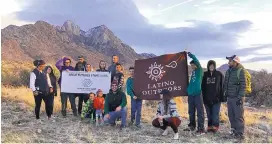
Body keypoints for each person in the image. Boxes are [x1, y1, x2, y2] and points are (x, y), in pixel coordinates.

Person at [223, 55, 246, 140]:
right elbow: (226, 84)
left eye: (230, 61)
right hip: (230, 97)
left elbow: (243, 85)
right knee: (231, 115)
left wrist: (240, 97)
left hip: (237, 98)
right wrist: (225, 94)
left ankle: (240, 134)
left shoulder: (240, 71)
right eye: (228, 61)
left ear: (235, 62)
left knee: (238, 116)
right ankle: (233, 131)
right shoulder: (229, 71)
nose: (228, 62)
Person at [183, 52, 205, 136]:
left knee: (200, 112)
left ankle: (201, 129)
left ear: (196, 65)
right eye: (191, 65)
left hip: (197, 94)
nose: (191, 66)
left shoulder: (199, 70)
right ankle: (192, 126)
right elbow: (192, 83)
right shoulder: (193, 73)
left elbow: (196, 60)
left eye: (192, 65)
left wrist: (190, 54)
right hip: (191, 95)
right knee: (191, 111)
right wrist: (188, 90)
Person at [201, 60, 224, 133]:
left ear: (214, 66)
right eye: (210, 65)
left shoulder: (219, 74)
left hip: (216, 99)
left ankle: (215, 127)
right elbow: (202, 87)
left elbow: (222, 86)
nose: (211, 67)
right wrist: (202, 97)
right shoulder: (204, 74)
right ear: (208, 66)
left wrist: (222, 97)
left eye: (213, 65)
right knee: (209, 114)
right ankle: (210, 126)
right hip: (206, 98)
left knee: (215, 114)